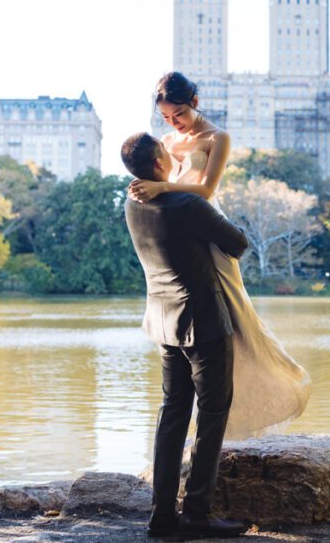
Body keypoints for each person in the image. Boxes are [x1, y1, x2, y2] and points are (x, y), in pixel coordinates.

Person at [129, 72, 311, 440]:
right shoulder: (165, 142)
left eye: (178, 114)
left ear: (194, 102)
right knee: (184, 375)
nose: (173, 123)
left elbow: (206, 188)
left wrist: (163, 186)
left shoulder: (218, 138)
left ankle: (261, 383)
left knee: (231, 311)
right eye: (166, 117)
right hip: (178, 238)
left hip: (206, 226)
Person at [121, 131, 249, 540]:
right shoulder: (186, 203)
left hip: (163, 321)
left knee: (173, 414)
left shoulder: (132, 203)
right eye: (165, 152)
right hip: (204, 322)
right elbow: (237, 243)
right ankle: (196, 513)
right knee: (212, 416)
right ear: (161, 164)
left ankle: (161, 516)